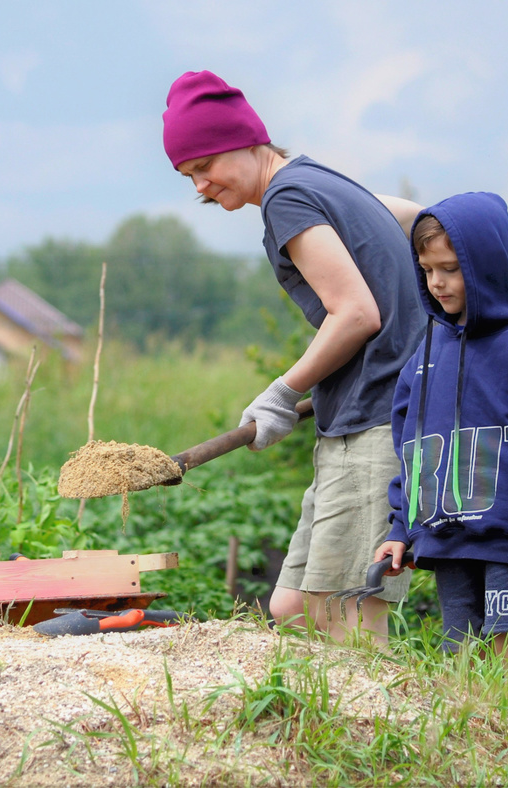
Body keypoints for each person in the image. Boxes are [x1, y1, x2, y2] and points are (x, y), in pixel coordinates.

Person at [162, 70, 425, 644]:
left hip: (379, 421)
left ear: (248, 141)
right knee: (293, 607)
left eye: (205, 166)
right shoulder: (316, 181)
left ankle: (380, 730)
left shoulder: (286, 197)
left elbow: (355, 313)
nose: (201, 186)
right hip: (356, 417)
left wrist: (283, 392)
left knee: (348, 615)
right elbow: (410, 215)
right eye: (189, 177)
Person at [373, 192, 508, 684]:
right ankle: (475, 755)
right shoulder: (426, 351)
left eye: (449, 268)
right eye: (426, 270)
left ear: (485, 265)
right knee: (460, 660)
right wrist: (400, 529)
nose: (436, 282)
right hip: (445, 538)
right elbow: (409, 453)